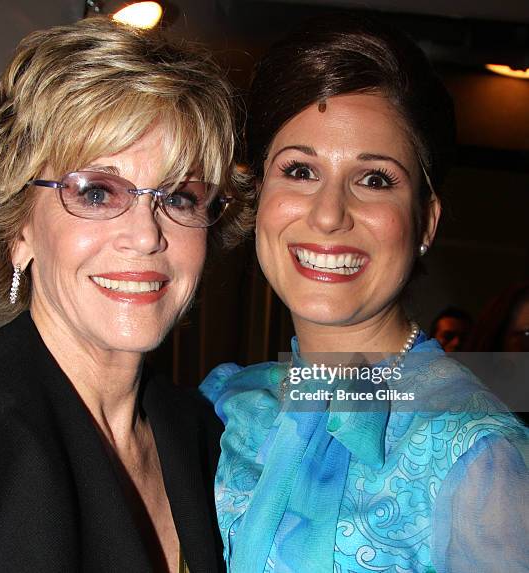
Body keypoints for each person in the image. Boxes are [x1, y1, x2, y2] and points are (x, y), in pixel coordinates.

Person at [201, 13, 529, 573]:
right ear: (259, 199)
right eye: (300, 170)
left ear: (425, 222)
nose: (329, 215)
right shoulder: (233, 410)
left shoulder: (477, 456)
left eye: (374, 179)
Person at [0, 17, 242, 572]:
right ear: (18, 228)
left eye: (180, 196)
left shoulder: (204, 435)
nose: (146, 235)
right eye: (96, 192)